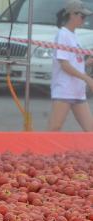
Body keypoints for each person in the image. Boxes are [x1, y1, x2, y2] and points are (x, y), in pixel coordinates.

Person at [47, 0, 93, 131]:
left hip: (77, 90)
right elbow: (64, 65)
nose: (83, 19)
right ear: (72, 14)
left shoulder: (74, 35)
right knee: (54, 128)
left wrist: (86, 63)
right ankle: (38, 151)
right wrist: (87, 78)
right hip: (65, 89)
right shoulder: (62, 34)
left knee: (90, 130)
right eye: (82, 16)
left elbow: (73, 62)